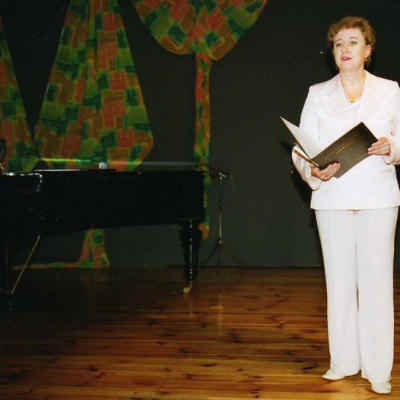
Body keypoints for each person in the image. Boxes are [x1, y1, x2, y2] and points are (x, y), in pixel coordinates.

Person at [292, 16, 400, 395]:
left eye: (353, 42)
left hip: (377, 197)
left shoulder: (390, 90)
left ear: (368, 50)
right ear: (333, 53)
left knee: (376, 284)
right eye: (338, 43)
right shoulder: (317, 93)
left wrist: (392, 147)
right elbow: (301, 148)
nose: (345, 49)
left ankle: (378, 370)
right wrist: (311, 170)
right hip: (332, 197)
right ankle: (342, 361)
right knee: (338, 283)